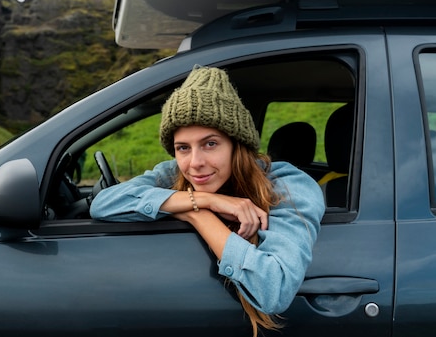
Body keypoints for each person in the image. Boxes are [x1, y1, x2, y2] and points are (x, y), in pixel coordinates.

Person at [90, 66, 325, 337]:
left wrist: (195, 213)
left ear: (237, 144)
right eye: (183, 148)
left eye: (210, 144)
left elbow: (273, 289)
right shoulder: (173, 173)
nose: (196, 163)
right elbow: (104, 203)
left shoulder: (287, 185)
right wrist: (203, 204)